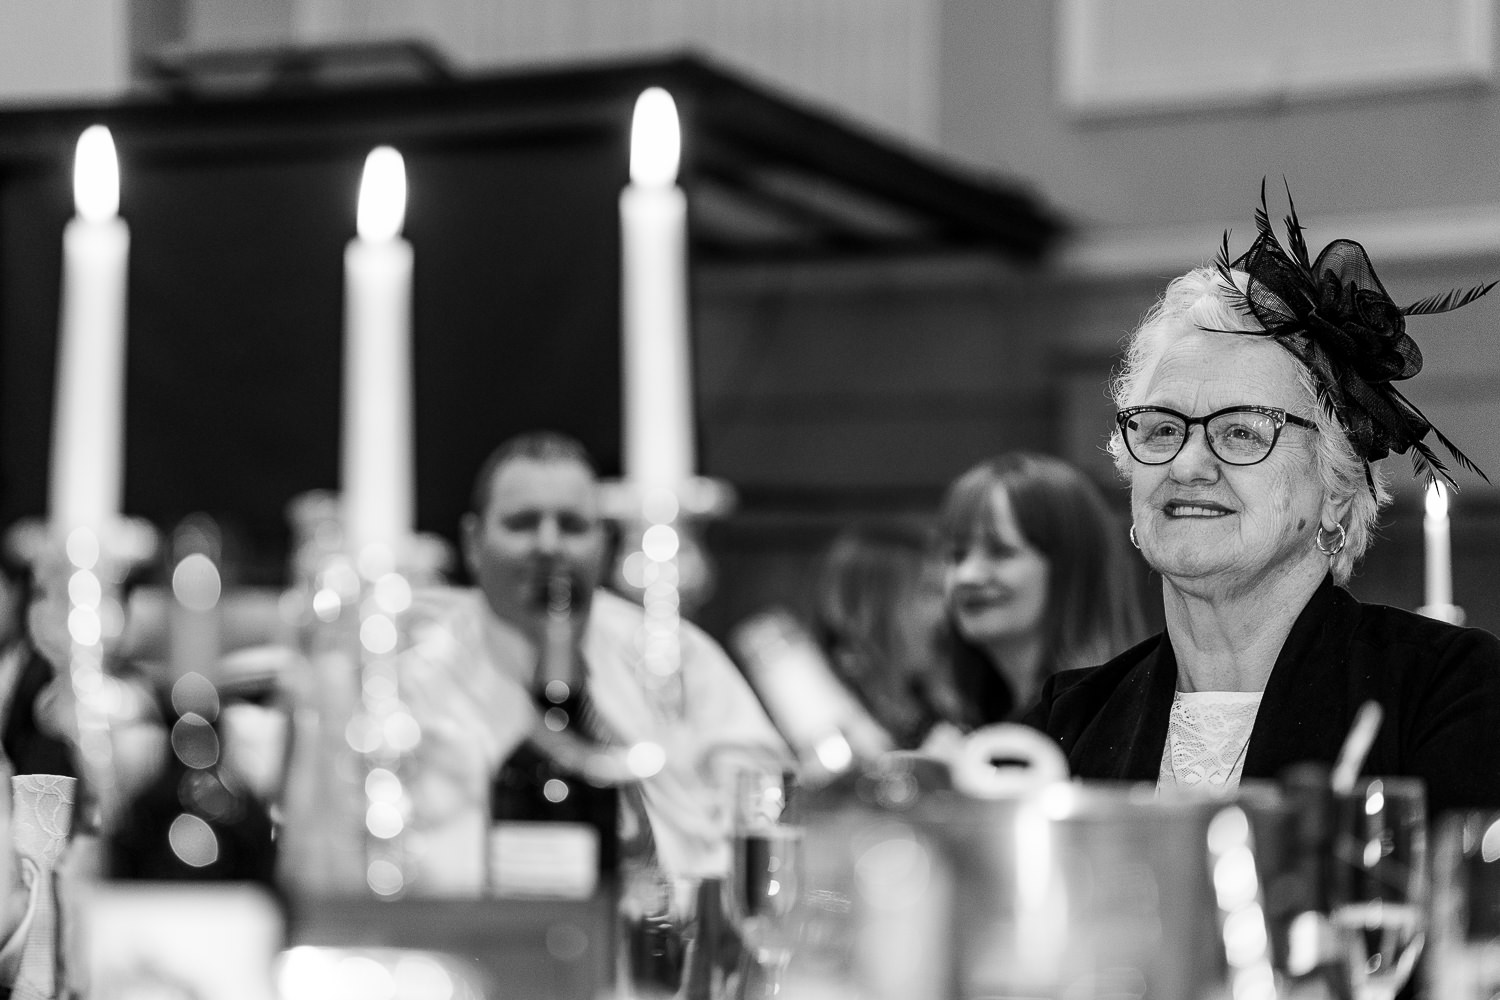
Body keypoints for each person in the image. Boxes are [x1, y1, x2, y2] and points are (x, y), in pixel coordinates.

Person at [1025, 184, 1500, 812]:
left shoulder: (1449, 690)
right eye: (1162, 428)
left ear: (1335, 490)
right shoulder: (1065, 722)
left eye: (1242, 431)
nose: (1188, 464)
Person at [401, 431, 789, 887]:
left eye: (571, 525)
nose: (548, 545)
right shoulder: (420, 673)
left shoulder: (677, 656)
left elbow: (767, 808)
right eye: (522, 523)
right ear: (472, 542)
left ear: (604, 543)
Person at [937, 452, 1148, 724]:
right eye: (957, 555)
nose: (967, 575)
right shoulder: (976, 719)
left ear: (1070, 566)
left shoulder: (1108, 718)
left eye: (1000, 551)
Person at [809, 521, 960, 750]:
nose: (944, 613)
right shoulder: (819, 699)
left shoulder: (928, 701)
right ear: (871, 606)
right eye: (929, 592)